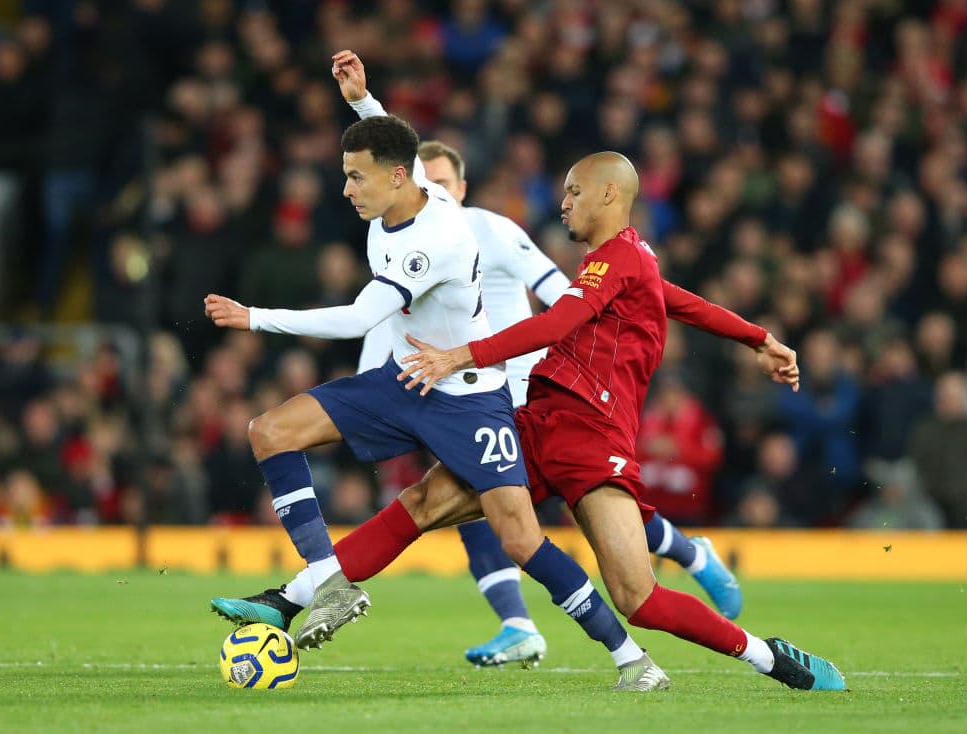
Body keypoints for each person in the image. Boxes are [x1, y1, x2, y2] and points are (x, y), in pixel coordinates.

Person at [206, 50, 671, 691]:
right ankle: (332, 587)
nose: (346, 190)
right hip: (407, 380)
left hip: (470, 401)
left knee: (520, 539)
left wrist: (255, 317)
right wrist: (360, 103)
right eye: (345, 176)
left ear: (395, 180)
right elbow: (401, 146)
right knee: (269, 430)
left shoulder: (435, 239)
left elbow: (355, 319)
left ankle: (632, 659)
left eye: (356, 179)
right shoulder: (401, 192)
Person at [349, 55, 742, 668]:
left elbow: (566, 299)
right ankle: (524, 625)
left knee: (582, 516)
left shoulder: (495, 232)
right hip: (474, 389)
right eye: (426, 182)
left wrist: (479, 351)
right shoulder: (400, 245)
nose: (436, 193)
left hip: (533, 383)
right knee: (469, 508)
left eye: (446, 182)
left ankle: (685, 562)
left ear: (461, 188)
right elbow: (384, 325)